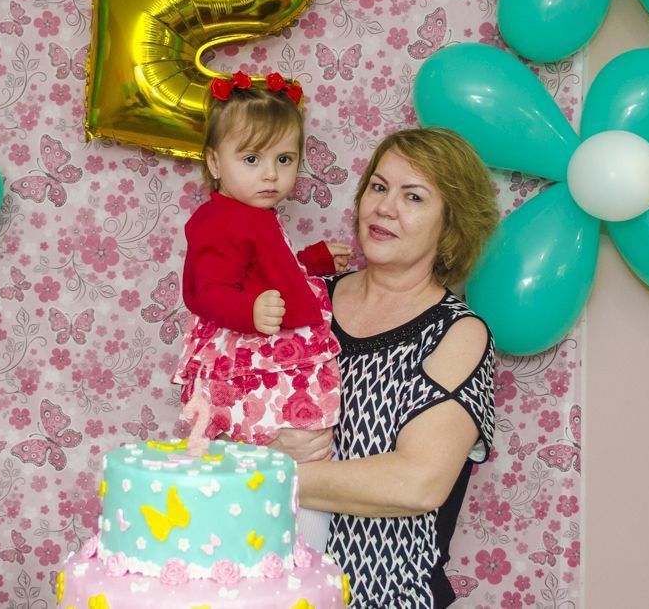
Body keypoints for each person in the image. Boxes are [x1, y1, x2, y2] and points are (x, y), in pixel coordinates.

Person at [273, 127, 500, 608]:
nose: (384, 208)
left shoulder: (459, 333)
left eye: (413, 196)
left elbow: (417, 482)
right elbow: (229, 415)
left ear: (451, 225)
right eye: (378, 187)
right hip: (271, 590)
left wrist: (268, 474)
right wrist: (262, 446)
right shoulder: (306, 300)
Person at [173, 71, 352, 454]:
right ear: (215, 162)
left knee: (298, 433)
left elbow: (268, 266)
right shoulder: (220, 222)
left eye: (284, 159)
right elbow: (210, 291)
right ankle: (267, 457)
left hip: (264, 339)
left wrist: (312, 260)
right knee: (262, 426)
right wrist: (248, 310)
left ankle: (284, 462)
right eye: (252, 159)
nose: (271, 174)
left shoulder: (252, 214)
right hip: (248, 347)